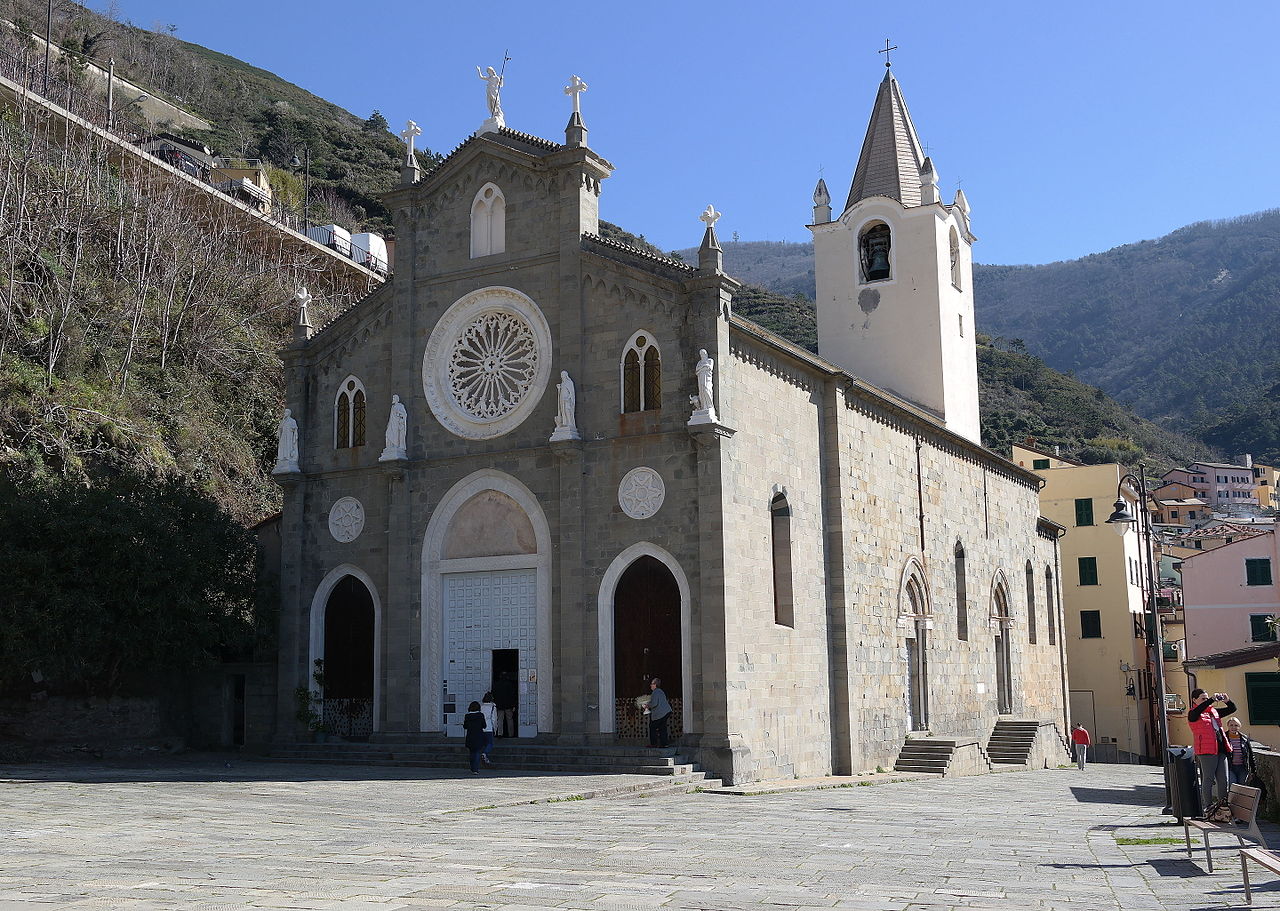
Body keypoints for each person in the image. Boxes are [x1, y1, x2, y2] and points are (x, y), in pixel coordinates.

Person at [1188, 688, 1236, 811]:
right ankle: (1208, 806)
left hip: (1221, 749)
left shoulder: (1213, 712)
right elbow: (1198, 711)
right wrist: (1210, 700)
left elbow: (1232, 709)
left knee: (1223, 779)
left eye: (1206, 698)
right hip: (1206, 750)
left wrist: (1227, 701)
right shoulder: (1193, 713)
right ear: (1194, 700)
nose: (1206, 701)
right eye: (1203, 698)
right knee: (1208, 778)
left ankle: (1223, 806)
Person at [1225, 716, 1257, 786]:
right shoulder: (1224, 738)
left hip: (1243, 768)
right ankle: (1232, 797)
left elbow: (1250, 755)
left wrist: (1253, 770)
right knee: (1233, 785)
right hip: (1230, 767)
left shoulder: (1244, 738)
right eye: (1231, 725)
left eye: (1236, 725)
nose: (1233, 727)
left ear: (1239, 726)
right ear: (1228, 726)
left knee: (1242, 787)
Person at [643, 677, 672, 748]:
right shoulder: (660, 691)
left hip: (660, 714)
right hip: (666, 712)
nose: (650, 685)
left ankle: (654, 743)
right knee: (662, 728)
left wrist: (647, 705)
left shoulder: (655, 692)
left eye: (652, 684)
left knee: (652, 727)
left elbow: (654, 703)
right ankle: (664, 744)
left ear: (655, 684)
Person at [463, 700, 487, 774]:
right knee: (477, 752)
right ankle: (475, 769)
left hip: (470, 736)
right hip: (479, 735)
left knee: (471, 752)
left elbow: (465, 726)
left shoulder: (467, 716)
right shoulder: (481, 715)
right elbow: (484, 726)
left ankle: (472, 767)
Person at [495, 671, 518, 737]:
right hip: (508, 705)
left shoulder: (496, 684)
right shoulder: (510, 684)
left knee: (500, 720)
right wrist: (514, 705)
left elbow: (494, 694)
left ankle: (500, 733)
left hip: (499, 705)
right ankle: (511, 734)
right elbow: (513, 695)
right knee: (510, 720)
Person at [480, 691, 498, 765]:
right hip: (489, 726)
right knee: (490, 743)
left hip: (481, 727)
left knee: (484, 743)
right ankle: (485, 753)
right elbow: (494, 718)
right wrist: (495, 728)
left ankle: (485, 756)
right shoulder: (493, 707)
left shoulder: (481, 706)